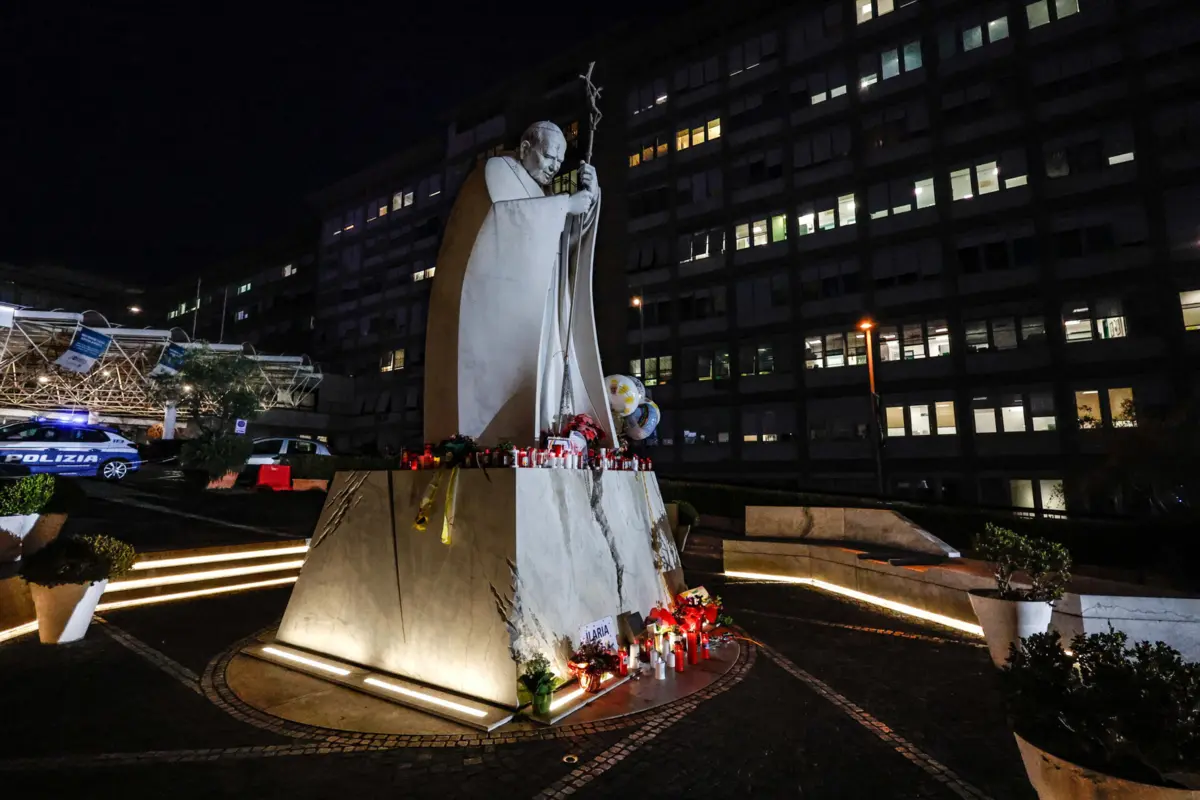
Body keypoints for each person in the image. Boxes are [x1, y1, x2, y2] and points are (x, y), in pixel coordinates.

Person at [423, 121, 615, 447]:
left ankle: (555, 436)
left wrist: (590, 198)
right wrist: (564, 206)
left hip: (542, 304)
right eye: (549, 157)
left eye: (559, 161)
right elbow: (503, 223)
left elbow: (564, 248)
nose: (554, 167)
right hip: (504, 310)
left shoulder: (539, 192)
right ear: (526, 149)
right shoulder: (498, 170)